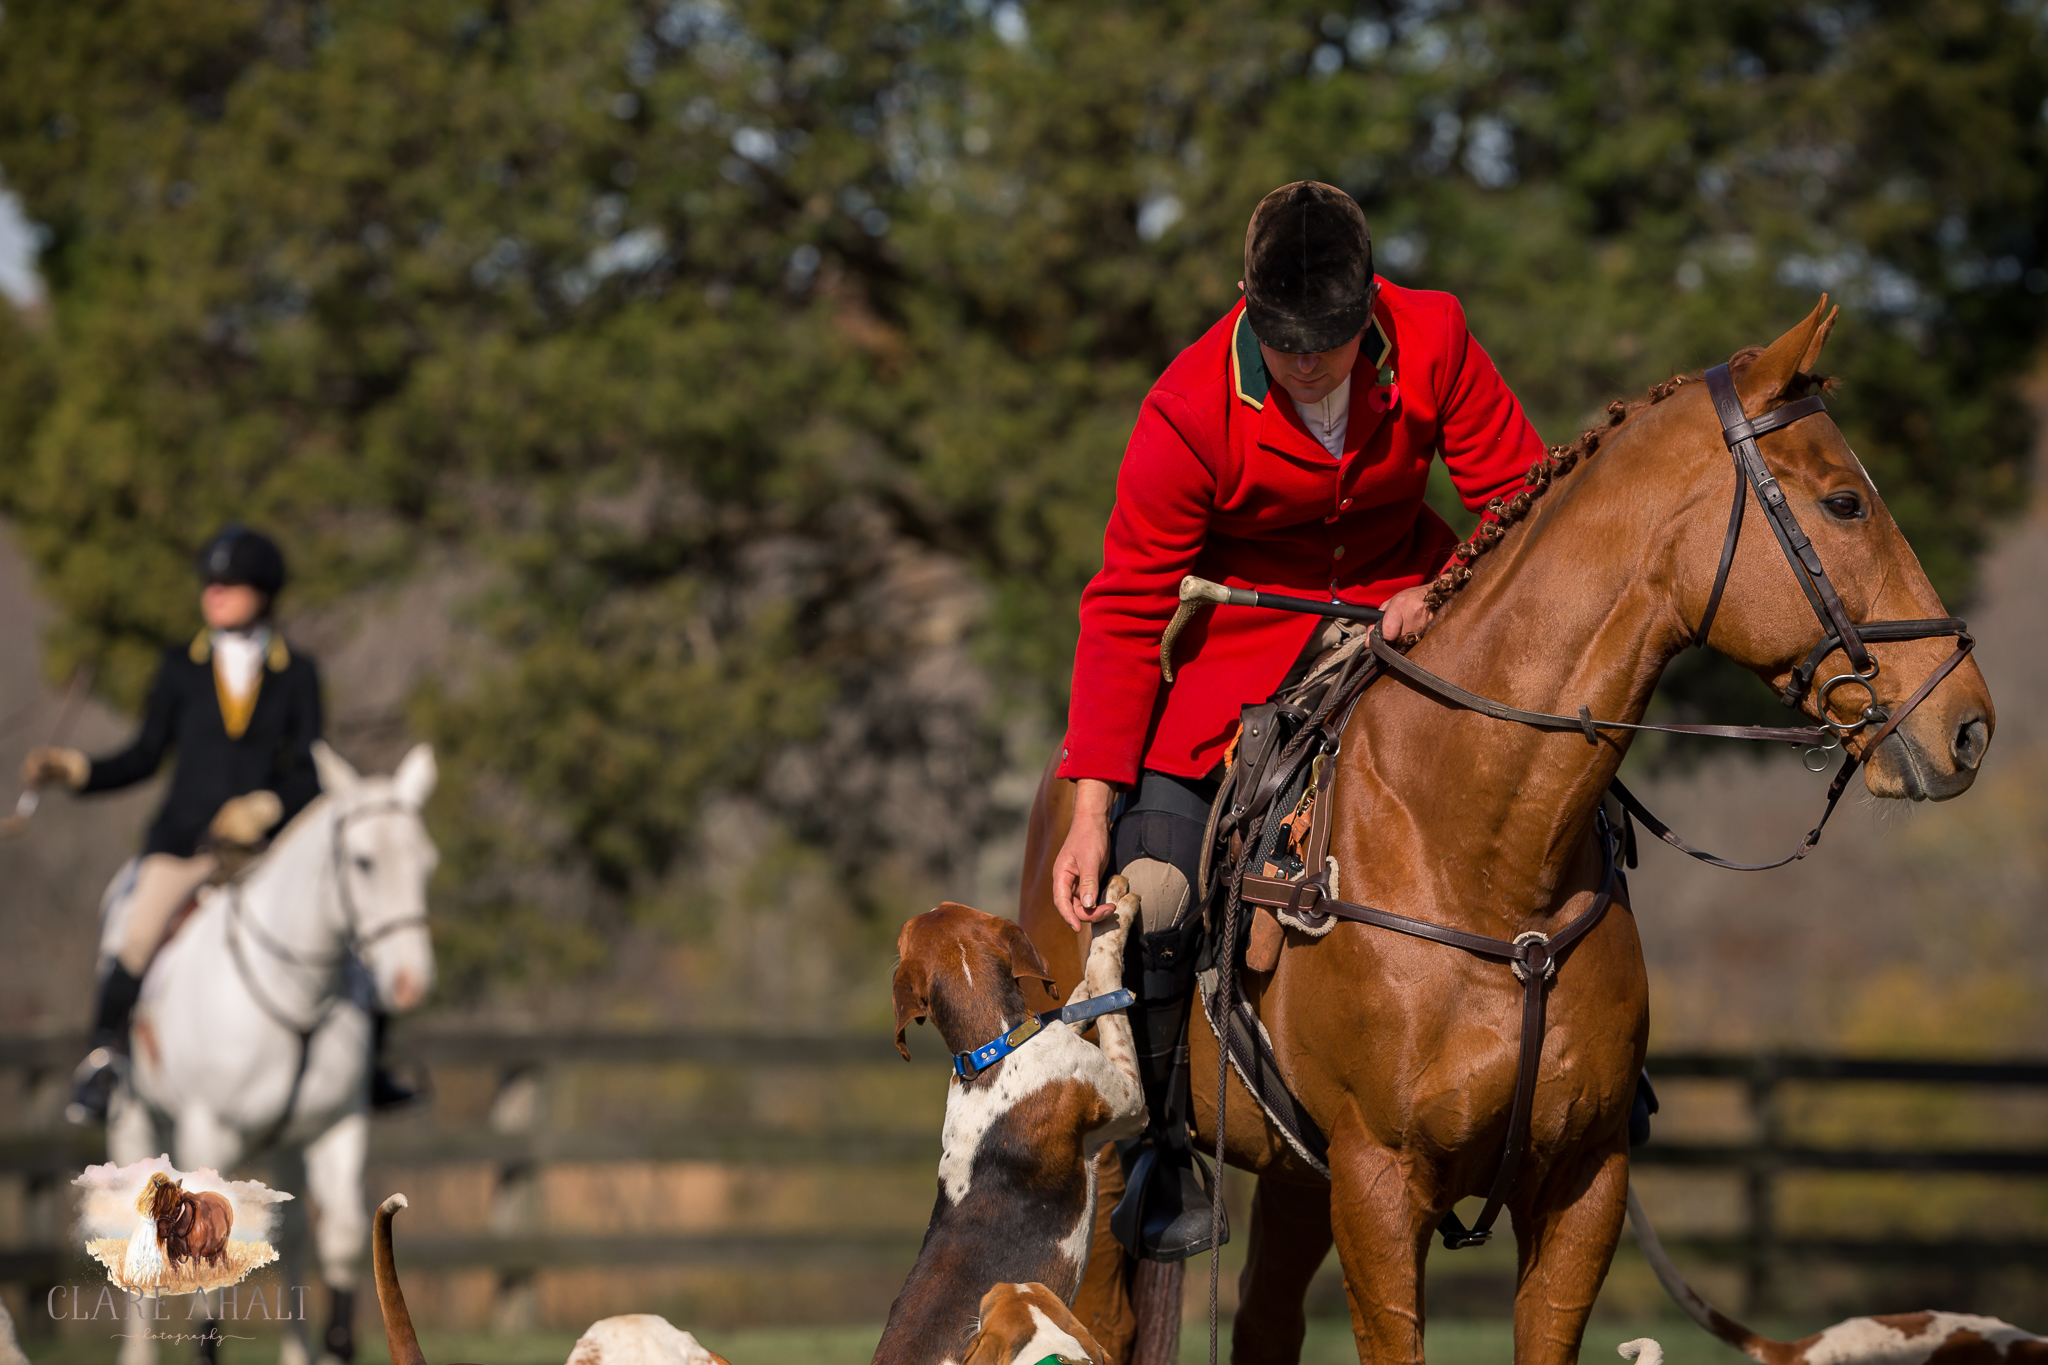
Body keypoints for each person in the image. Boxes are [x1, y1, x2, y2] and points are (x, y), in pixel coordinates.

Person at [1048, 182, 1551, 1259]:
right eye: (1287, 345)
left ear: (1369, 303)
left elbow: (1519, 496)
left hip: (1415, 622)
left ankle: (1601, 1066)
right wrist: (1092, 804)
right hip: (1239, 662)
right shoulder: (1185, 405)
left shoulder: (1436, 336)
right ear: (1244, 304)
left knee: (1553, 784)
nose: (1312, 365)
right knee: (1160, 887)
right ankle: (1164, 1149)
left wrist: (1451, 585)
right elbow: (1128, 605)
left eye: (1330, 342)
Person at [22, 524, 412, 1124]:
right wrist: (76, 771)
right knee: (134, 936)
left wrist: (269, 806)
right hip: (182, 844)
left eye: (230, 583)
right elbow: (146, 755)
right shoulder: (180, 666)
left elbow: (311, 766)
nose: (216, 592)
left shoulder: (296, 672)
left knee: (357, 939)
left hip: (261, 851)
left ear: (264, 593)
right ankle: (105, 1061)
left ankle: (372, 1070)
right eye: (210, 582)